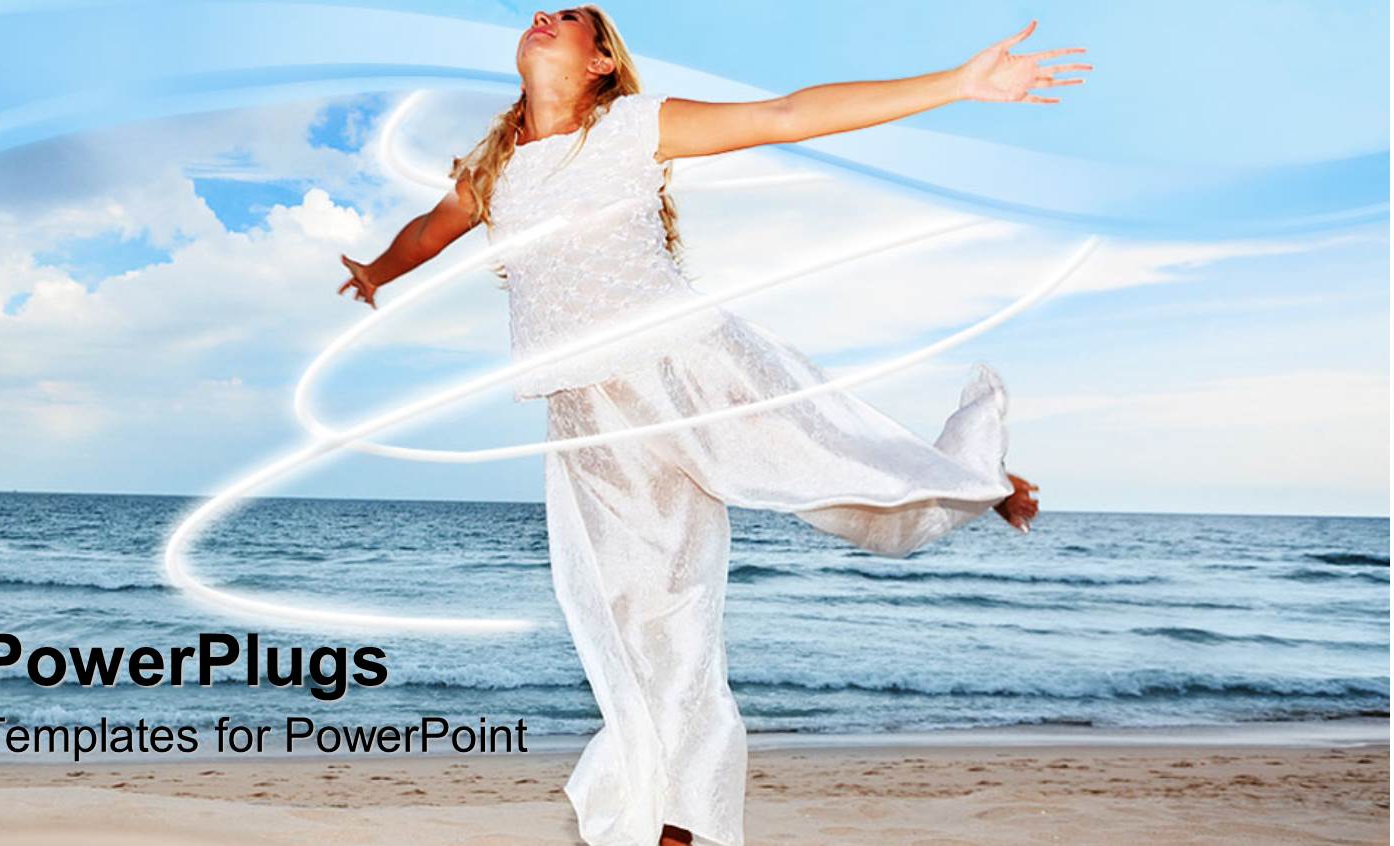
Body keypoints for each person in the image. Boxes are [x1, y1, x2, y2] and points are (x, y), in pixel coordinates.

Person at [337, 6, 1082, 844]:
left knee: (843, 470)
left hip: (692, 367)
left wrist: (959, 83)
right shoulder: (494, 172)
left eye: (572, 15)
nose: (545, 14)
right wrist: (377, 271)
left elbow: (786, 114)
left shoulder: (629, 126)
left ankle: (979, 483)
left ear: (602, 65)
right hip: (590, 420)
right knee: (648, 625)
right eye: (543, 10)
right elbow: (429, 233)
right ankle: (675, 823)